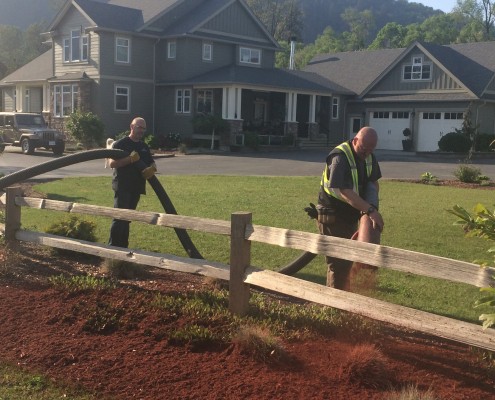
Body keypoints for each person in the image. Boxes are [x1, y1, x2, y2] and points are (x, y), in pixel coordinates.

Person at [316, 126, 384, 290]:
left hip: (350, 215)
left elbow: (373, 183)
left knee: (347, 259)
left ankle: (340, 301)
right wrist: (370, 210)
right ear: (355, 140)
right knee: (339, 262)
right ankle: (334, 307)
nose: (366, 153)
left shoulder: (369, 156)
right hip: (332, 216)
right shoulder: (339, 157)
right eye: (363, 148)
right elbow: (344, 191)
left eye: (370, 150)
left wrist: (369, 209)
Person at [108, 117, 156, 248]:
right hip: (123, 186)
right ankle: (113, 248)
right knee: (119, 218)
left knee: (128, 218)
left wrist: (152, 167)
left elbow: (150, 161)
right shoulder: (121, 144)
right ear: (131, 126)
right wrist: (129, 160)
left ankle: (123, 247)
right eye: (139, 127)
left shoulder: (143, 146)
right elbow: (111, 163)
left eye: (143, 128)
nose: (141, 130)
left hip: (137, 187)